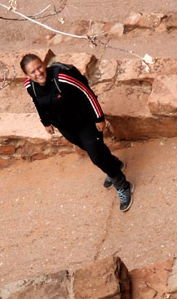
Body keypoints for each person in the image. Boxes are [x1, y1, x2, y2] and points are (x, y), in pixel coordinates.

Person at [20, 52, 133, 210]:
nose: (38, 73)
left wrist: (99, 118)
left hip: (86, 121)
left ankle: (123, 185)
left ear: (43, 65)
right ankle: (114, 164)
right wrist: (45, 122)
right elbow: (37, 102)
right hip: (66, 127)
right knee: (92, 149)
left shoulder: (62, 77)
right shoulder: (29, 86)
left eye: (40, 67)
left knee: (96, 156)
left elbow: (87, 93)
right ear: (27, 75)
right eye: (33, 71)